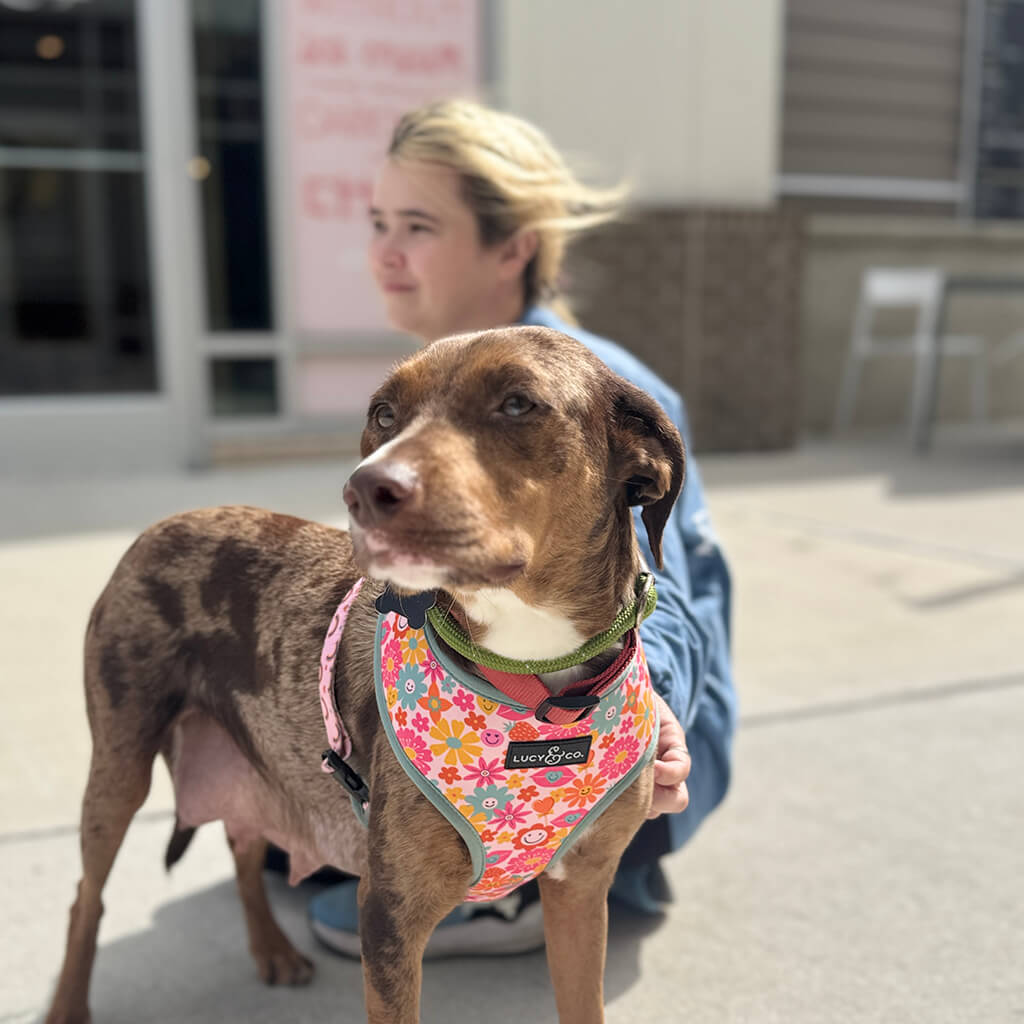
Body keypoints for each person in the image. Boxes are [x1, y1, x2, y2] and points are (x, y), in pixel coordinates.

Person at [306, 98, 736, 958]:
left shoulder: (596, 388)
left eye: (419, 226)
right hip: (491, 701)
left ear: (513, 247)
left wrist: (651, 708)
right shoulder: (429, 384)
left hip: (619, 736)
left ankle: (525, 882)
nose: (385, 253)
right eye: (379, 222)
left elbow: (668, 596)